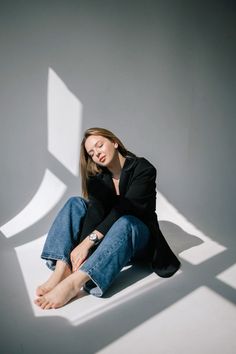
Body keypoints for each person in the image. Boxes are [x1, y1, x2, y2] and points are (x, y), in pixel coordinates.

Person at [34, 127, 180, 310]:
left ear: (114, 142)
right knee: (75, 203)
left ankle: (74, 283)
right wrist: (80, 253)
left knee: (126, 221)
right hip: (109, 242)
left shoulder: (143, 168)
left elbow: (126, 208)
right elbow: (95, 213)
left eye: (100, 145)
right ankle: (62, 269)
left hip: (137, 237)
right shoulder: (98, 176)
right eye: (92, 153)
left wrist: (88, 242)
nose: (97, 154)